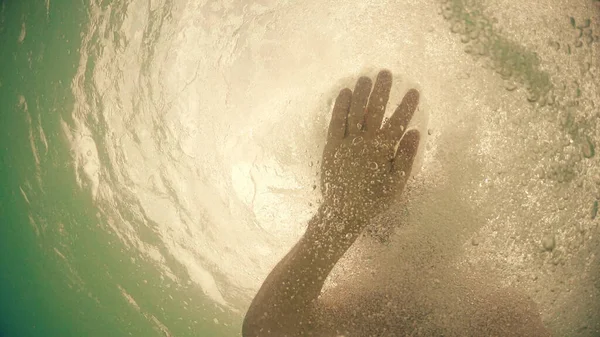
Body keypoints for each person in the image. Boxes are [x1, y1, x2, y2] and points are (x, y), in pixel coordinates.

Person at [242, 70, 551, 337]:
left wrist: (343, 211)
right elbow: (271, 330)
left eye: (400, 168)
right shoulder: (360, 309)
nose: (385, 191)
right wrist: (342, 212)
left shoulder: (497, 312)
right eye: (373, 174)